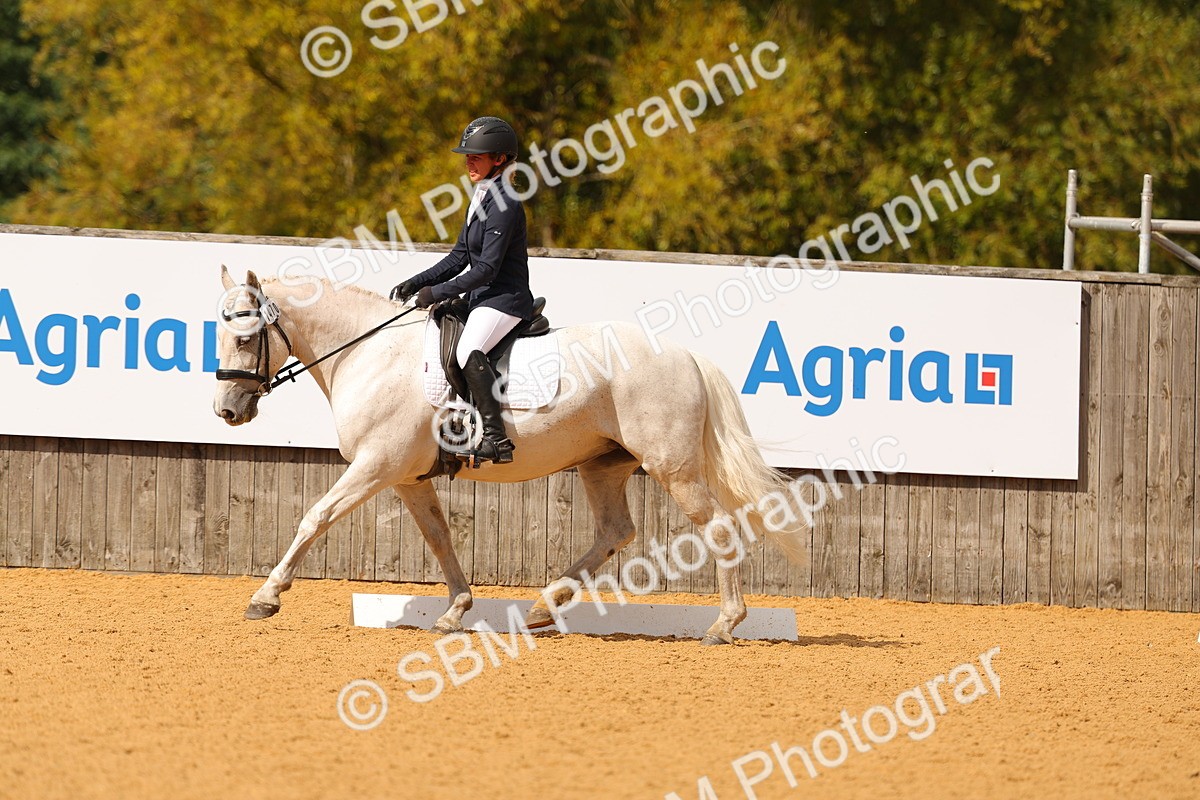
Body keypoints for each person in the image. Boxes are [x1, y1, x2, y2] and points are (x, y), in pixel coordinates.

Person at [390, 116, 534, 465]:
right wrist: (418, 281)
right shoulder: (483, 195)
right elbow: (460, 258)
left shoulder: (505, 202)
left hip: (505, 300)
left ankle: (496, 440)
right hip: (483, 297)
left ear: (499, 159)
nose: (469, 161)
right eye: (467, 155)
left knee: (468, 348)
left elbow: (486, 269)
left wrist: (436, 293)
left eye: (477, 156)